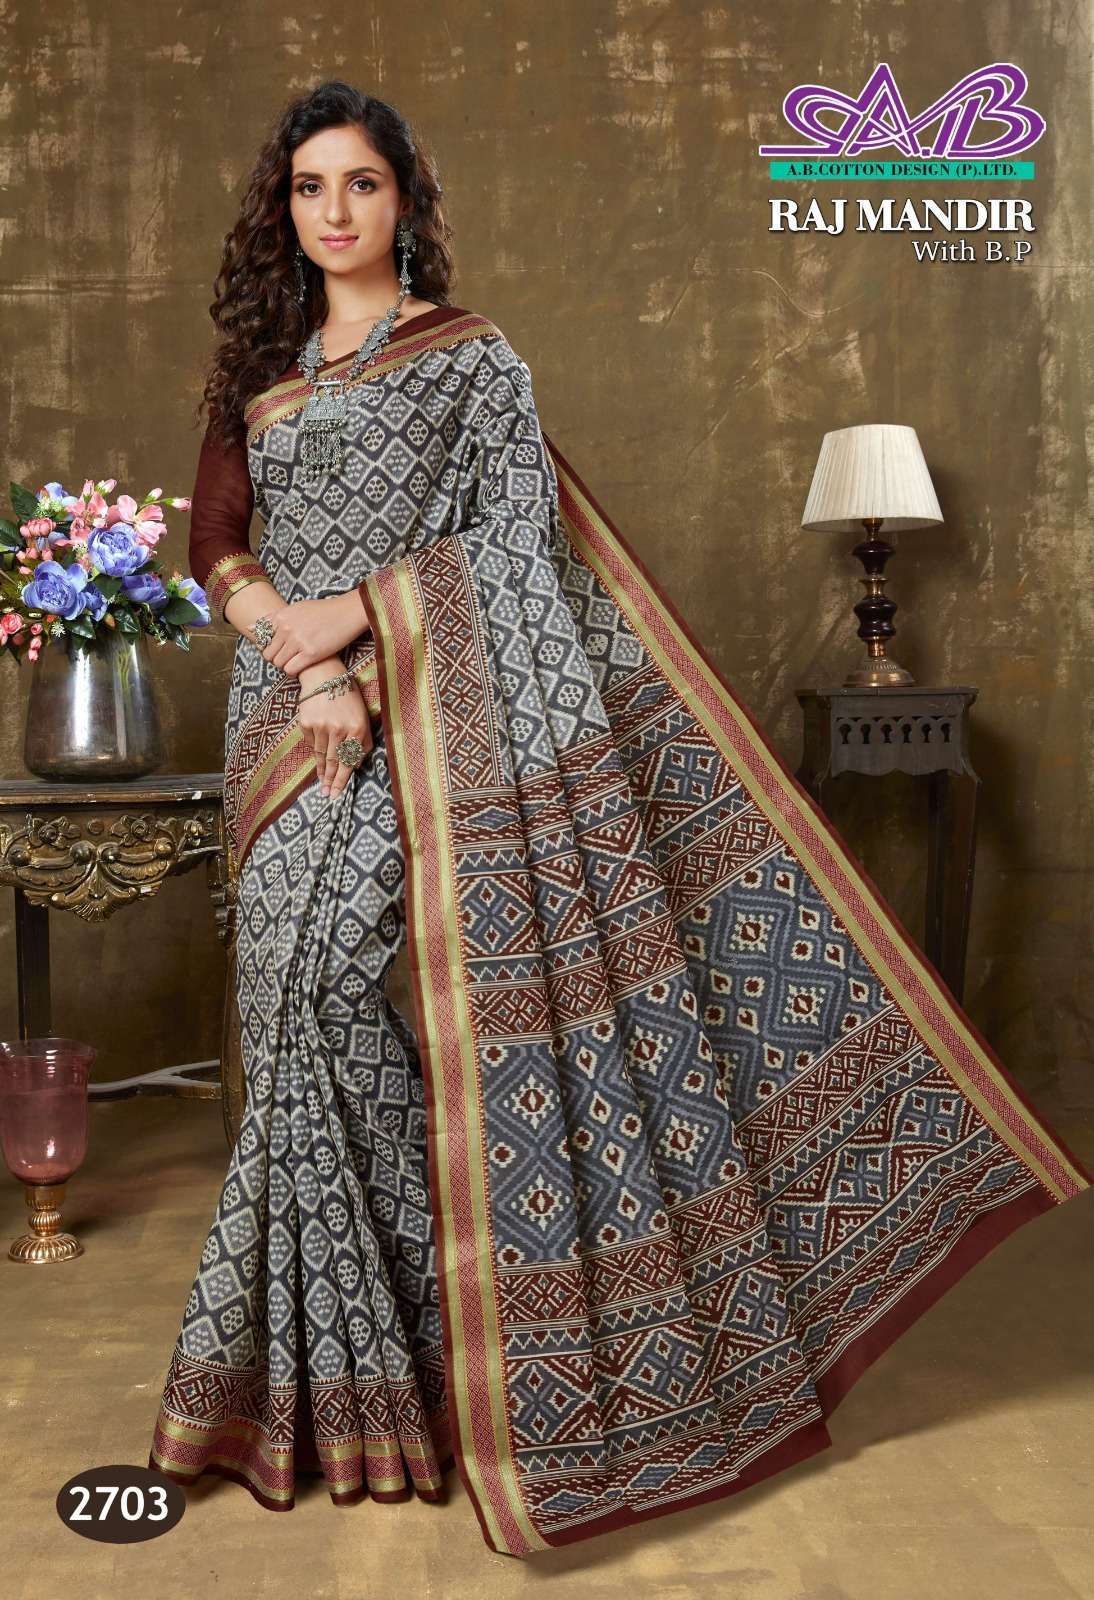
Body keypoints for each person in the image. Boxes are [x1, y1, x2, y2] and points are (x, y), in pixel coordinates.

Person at [147, 80, 1091, 1558]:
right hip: (286, 716)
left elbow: (512, 545)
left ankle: (439, 1362)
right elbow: (215, 540)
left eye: (362, 184)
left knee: (334, 984)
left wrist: (364, 617)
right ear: (286, 209)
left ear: (404, 200)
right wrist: (302, 649)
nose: (335, 211)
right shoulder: (259, 369)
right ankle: (375, 1374)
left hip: (439, 721)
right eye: (310, 187)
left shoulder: (472, 359)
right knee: (291, 1005)